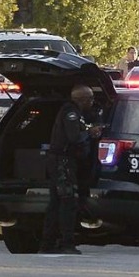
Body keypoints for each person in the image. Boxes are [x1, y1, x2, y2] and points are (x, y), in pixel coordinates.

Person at [39, 84, 103, 255]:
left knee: (56, 203)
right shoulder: (71, 113)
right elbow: (74, 137)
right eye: (90, 98)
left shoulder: (77, 113)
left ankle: (48, 243)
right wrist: (90, 133)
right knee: (67, 202)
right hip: (63, 162)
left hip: (62, 162)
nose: (92, 101)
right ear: (82, 100)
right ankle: (66, 243)